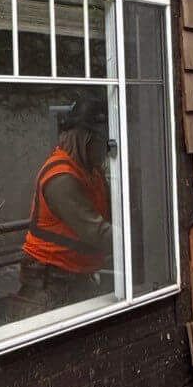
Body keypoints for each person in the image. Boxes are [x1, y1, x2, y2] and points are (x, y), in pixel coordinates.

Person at [19, 93, 115, 313]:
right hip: (50, 285)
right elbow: (98, 233)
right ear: (87, 139)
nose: (107, 151)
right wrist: (146, 243)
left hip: (74, 277)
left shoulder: (92, 172)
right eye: (105, 143)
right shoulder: (61, 177)